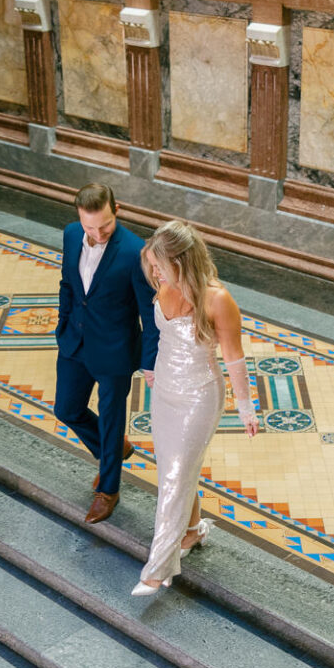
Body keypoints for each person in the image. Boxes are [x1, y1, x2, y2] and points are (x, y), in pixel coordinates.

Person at [132, 220, 258, 596]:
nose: (154, 273)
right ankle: (191, 530)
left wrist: (246, 408)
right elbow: (162, 334)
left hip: (199, 397)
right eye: (152, 265)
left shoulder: (218, 299)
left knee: (174, 476)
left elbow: (234, 358)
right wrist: (153, 366)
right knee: (175, 468)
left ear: (181, 261)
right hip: (166, 391)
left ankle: (157, 569)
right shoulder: (164, 285)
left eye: (160, 265)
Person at [54, 183, 159, 523]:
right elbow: (68, 285)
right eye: (90, 227)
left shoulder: (134, 252)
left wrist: (149, 362)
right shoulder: (71, 235)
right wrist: (63, 324)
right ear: (79, 219)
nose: (98, 234)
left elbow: (149, 312)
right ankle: (114, 449)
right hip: (74, 342)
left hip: (115, 351)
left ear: (118, 210)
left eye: (105, 226)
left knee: (111, 419)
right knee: (66, 408)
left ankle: (109, 489)